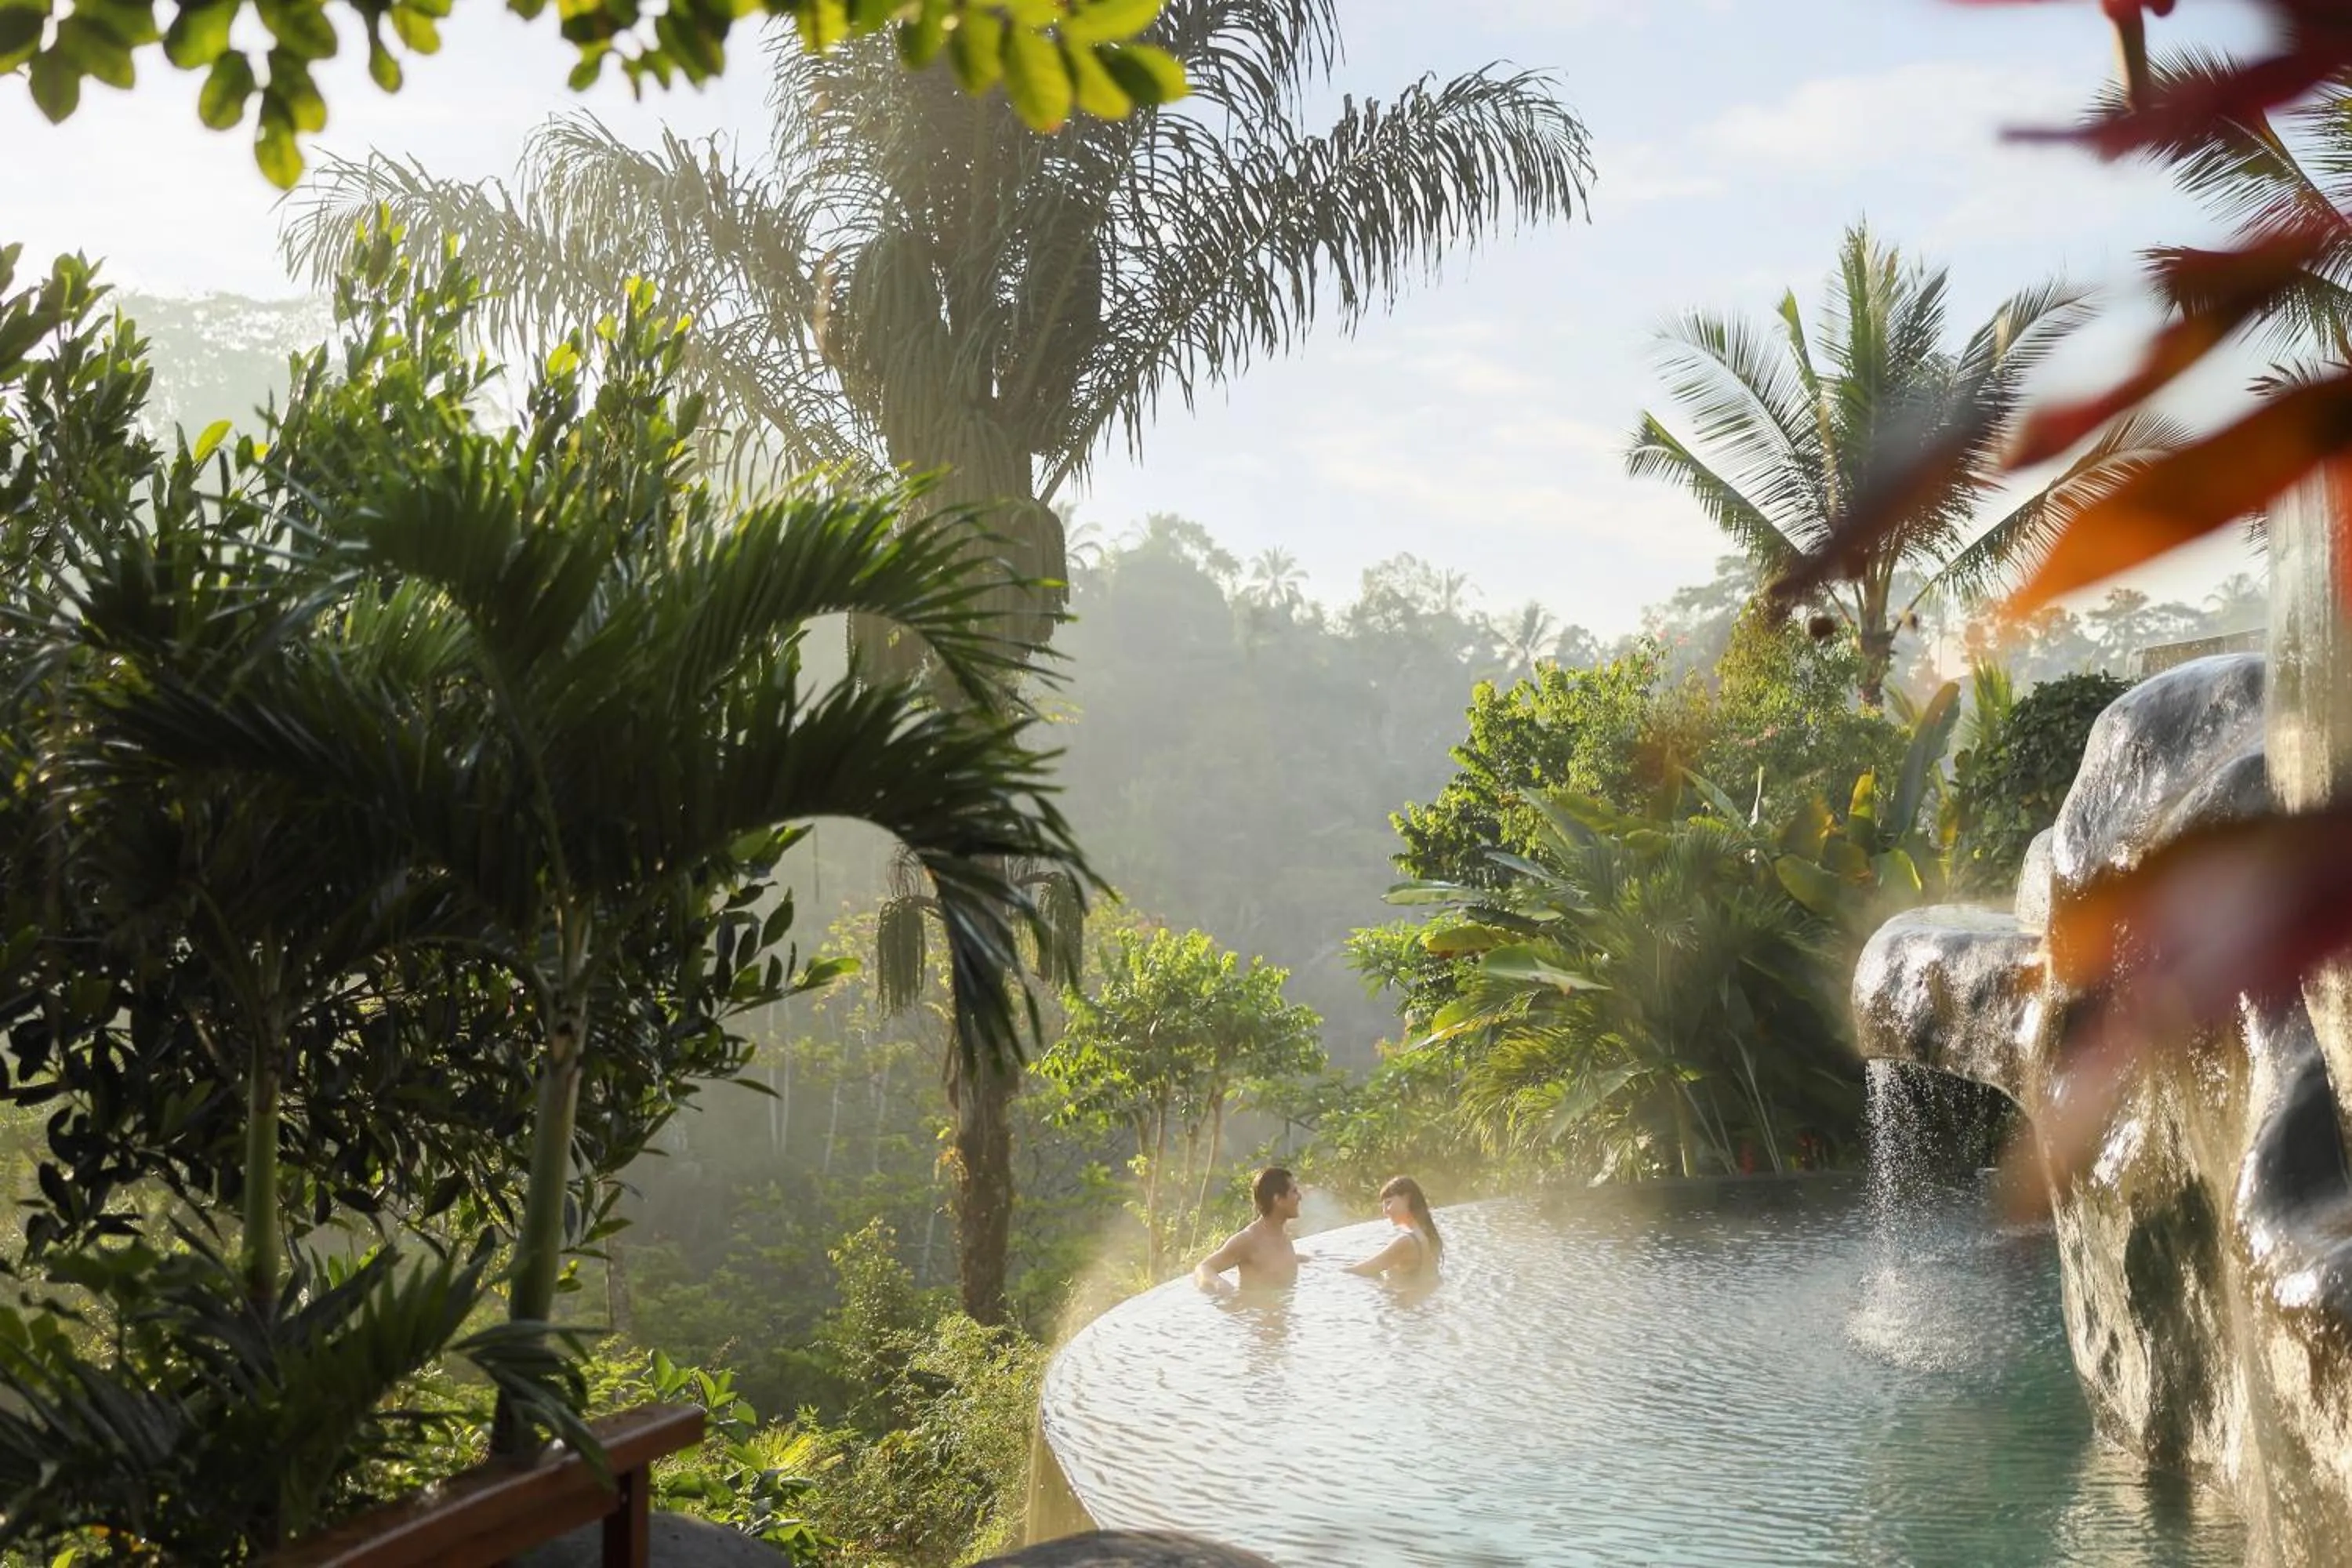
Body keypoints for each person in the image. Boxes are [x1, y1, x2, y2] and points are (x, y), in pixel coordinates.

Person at [1193, 1167, 1302, 1292]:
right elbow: (1204, 1268)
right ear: (1278, 1199)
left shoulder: (1282, 1236)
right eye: (1294, 1191)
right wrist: (1220, 1285)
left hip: (1282, 1310)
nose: (1300, 1197)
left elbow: (1272, 1261)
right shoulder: (1248, 1240)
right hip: (1254, 1311)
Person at [1344, 1174, 1443, 1280]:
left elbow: (1364, 1270)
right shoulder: (1425, 1235)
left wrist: (1332, 1272)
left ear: (1406, 1198)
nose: (1385, 1211)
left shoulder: (1407, 1242)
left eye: (1388, 1203)